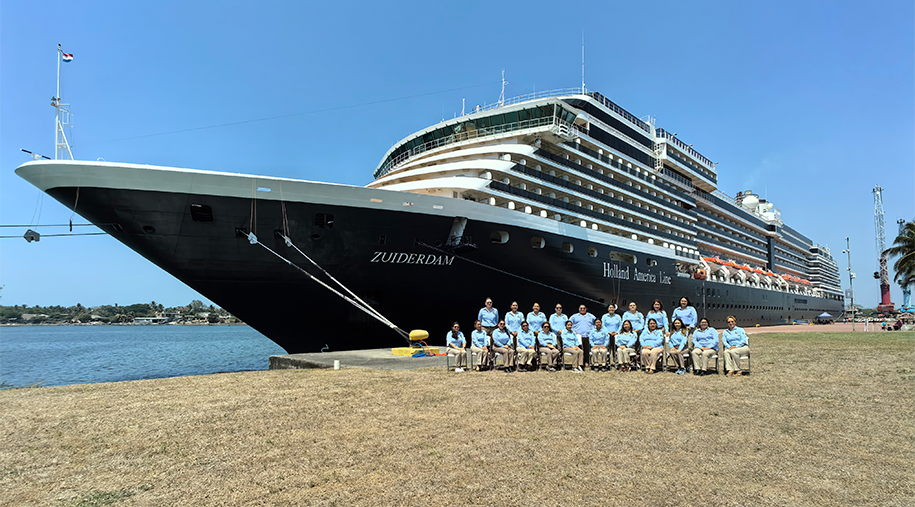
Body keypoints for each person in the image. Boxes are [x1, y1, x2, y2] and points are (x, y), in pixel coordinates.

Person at [601, 303, 622, 368]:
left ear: (615, 309)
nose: (611, 309)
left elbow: (620, 325)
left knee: (615, 349)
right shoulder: (604, 316)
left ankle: (616, 362)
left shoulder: (618, 316)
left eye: (612, 307)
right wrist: (608, 332)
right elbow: (603, 325)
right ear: (608, 309)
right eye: (610, 307)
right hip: (607, 335)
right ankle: (607, 362)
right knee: (607, 349)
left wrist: (617, 332)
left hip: (616, 335)